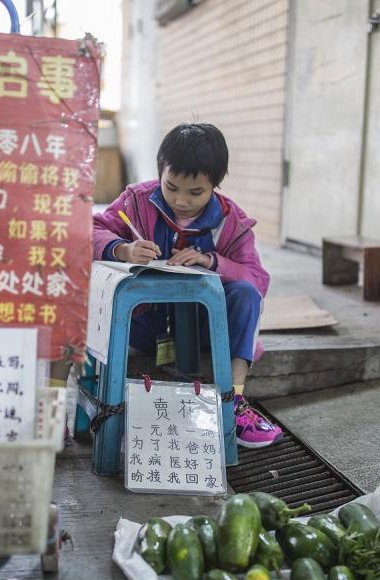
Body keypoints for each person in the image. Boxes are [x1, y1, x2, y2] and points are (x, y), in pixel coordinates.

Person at [92, 123, 282, 448]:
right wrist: (122, 249)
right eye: (171, 187)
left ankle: (233, 401)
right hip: (142, 327)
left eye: (195, 192)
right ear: (160, 173)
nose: (181, 201)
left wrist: (212, 262)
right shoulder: (136, 202)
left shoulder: (229, 220)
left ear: (215, 185)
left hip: (204, 331)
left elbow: (257, 277)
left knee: (246, 295)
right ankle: (116, 411)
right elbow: (91, 230)